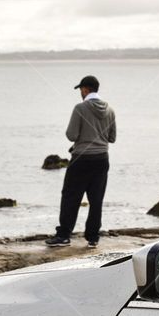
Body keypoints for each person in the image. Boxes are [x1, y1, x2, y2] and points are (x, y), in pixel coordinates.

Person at [45, 75, 116, 248]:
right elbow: (112, 138)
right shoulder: (110, 110)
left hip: (81, 159)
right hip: (102, 159)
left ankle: (63, 236)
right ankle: (93, 237)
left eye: (81, 90)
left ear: (85, 89)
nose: (80, 93)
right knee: (96, 199)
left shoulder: (80, 108)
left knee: (71, 197)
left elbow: (72, 135)